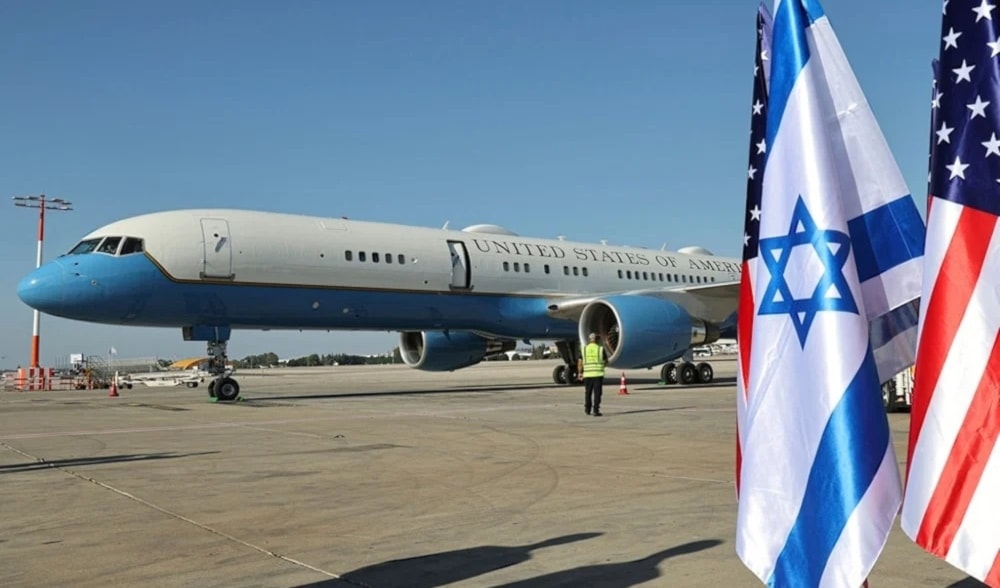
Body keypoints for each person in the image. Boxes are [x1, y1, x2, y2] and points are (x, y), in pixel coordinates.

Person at [577, 332, 606, 416]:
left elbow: (580, 362)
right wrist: (601, 366)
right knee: (597, 393)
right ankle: (596, 410)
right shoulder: (600, 349)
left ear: (589, 340)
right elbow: (605, 361)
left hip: (587, 375)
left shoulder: (584, 349)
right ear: (597, 340)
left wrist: (580, 373)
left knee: (588, 393)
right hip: (598, 374)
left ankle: (587, 409)